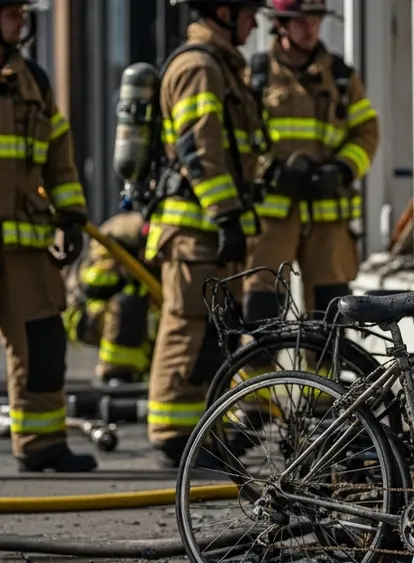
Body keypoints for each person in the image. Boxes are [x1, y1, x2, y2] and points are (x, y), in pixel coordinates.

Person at [144, 0, 266, 467]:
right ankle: (173, 436)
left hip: (209, 227)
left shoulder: (221, 66)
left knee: (212, 336)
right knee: (187, 327)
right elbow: (200, 147)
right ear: (222, 10)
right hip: (196, 229)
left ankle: (195, 434)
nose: (254, 22)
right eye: (248, 12)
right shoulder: (198, 66)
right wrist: (225, 215)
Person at [240, 0, 379, 380]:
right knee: (261, 308)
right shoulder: (253, 75)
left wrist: (343, 169)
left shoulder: (340, 75)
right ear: (281, 25)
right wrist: (269, 169)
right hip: (273, 213)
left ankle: (324, 404)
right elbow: (238, 138)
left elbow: (367, 131)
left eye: (316, 20)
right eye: (302, 21)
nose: (311, 29)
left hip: (327, 215)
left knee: (330, 314)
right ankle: (255, 399)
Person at [0, 0, 96, 472]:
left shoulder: (33, 81)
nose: (22, 21)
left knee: (43, 342)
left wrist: (72, 216)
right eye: (12, 13)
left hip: (24, 244)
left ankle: (40, 443)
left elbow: (59, 157)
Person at [63, 211, 156, 387]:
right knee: (129, 306)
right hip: (88, 316)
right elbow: (94, 284)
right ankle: (116, 375)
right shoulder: (111, 238)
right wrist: (124, 272)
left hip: (141, 312)